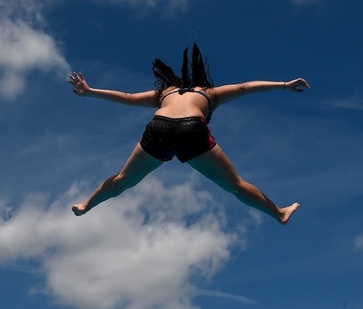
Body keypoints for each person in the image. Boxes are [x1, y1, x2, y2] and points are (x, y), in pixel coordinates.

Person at [68, 44, 308, 224]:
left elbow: (128, 98)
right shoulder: (209, 92)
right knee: (235, 184)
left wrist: (90, 92)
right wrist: (284, 85)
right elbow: (245, 88)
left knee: (123, 179)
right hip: (192, 129)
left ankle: (86, 205)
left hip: (159, 127)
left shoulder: (166, 92)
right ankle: (278, 212)